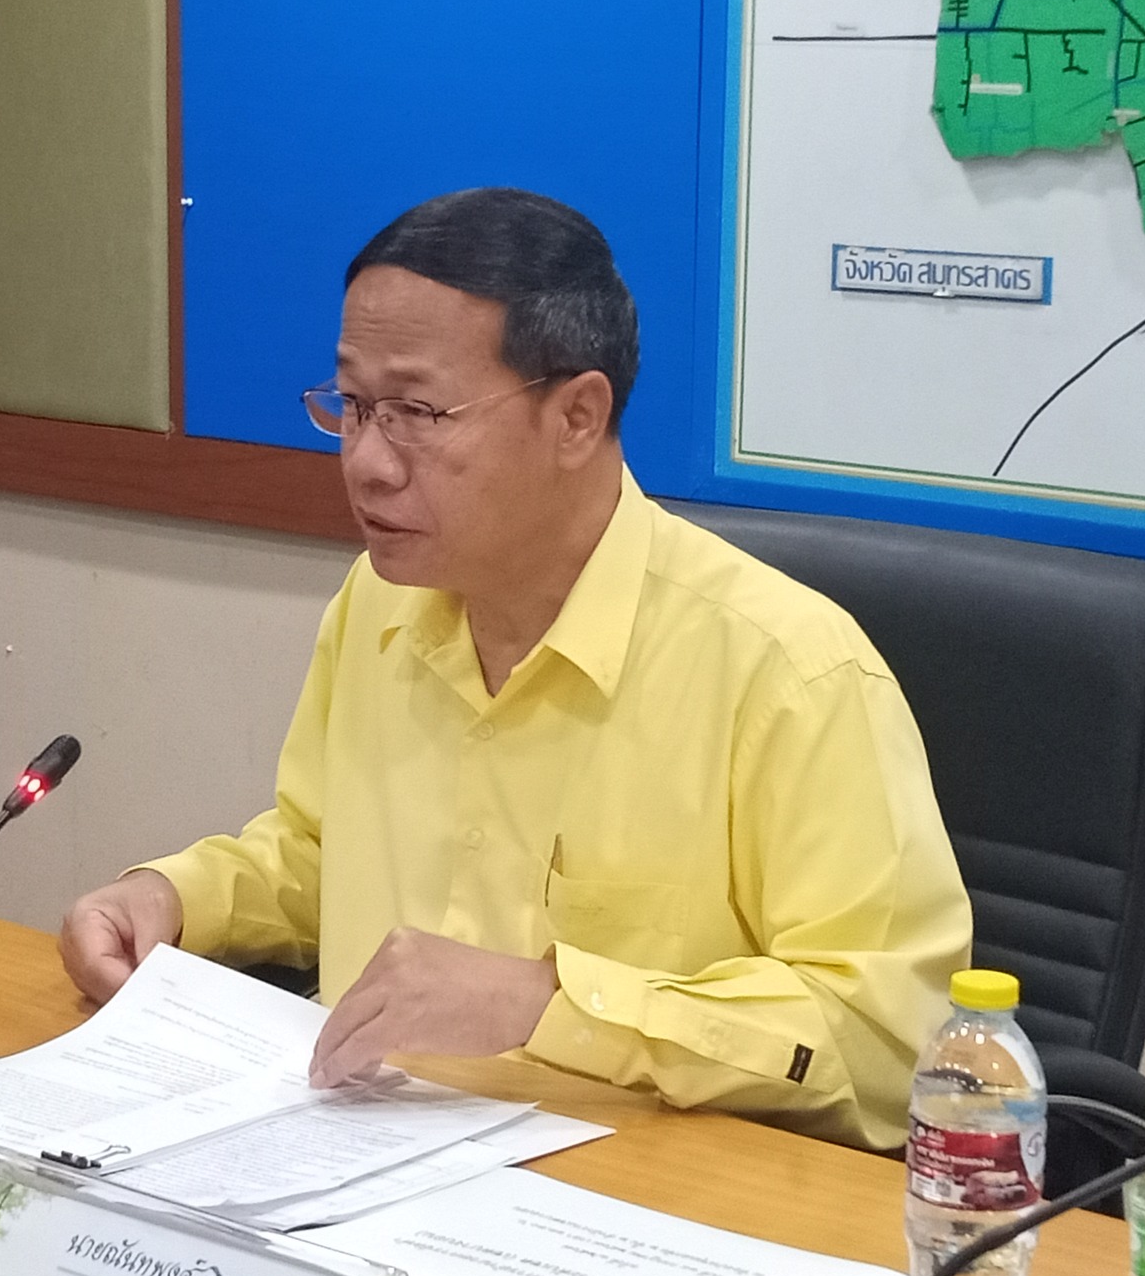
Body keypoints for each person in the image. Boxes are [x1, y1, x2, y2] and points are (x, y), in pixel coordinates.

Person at [59, 188, 970, 1151]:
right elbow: (324, 853)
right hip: (361, 1152)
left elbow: (888, 1041)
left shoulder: (788, 672)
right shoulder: (379, 603)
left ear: (576, 416)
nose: (366, 463)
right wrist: (176, 898)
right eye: (354, 406)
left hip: (633, 1192)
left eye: (416, 412)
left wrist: (548, 1003)